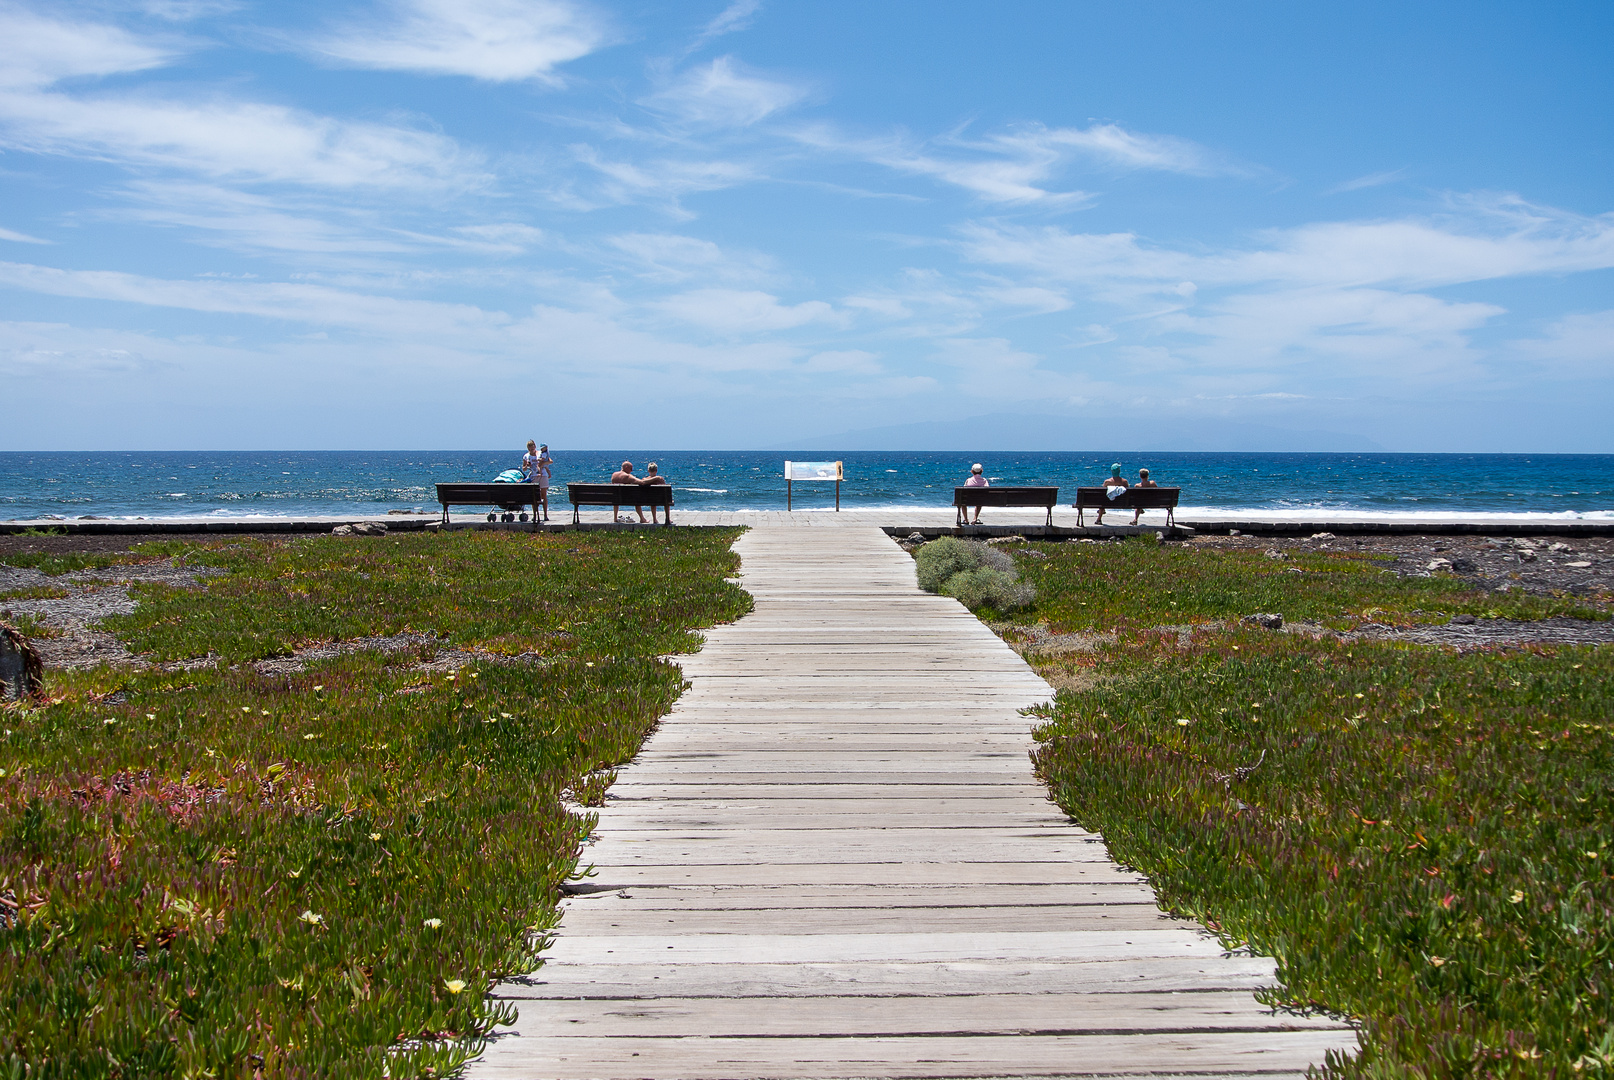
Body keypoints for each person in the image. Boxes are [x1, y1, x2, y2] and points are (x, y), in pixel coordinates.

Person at [534, 443, 553, 522]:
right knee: (537, 495)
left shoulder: (543, 454)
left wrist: (541, 462)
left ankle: (543, 515)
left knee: (543, 494)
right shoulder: (542, 453)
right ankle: (537, 514)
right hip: (538, 475)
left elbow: (550, 461)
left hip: (542, 474)